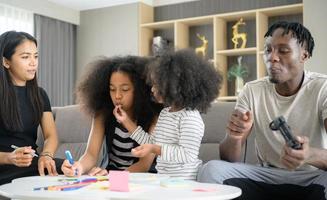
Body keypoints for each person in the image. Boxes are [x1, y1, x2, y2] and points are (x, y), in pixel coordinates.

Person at [197, 21, 327, 200]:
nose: (272, 57)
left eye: (283, 50)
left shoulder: (323, 88)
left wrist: (309, 154)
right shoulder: (252, 90)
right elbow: (228, 160)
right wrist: (234, 137)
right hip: (266, 175)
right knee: (211, 170)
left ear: (304, 55)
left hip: (312, 177)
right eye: (268, 50)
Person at [113, 49, 223, 180]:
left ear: (175, 86)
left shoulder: (190, 117)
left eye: (157, 85)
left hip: (185, 182)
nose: (152, 89)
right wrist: (126, 121)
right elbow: (152, 142)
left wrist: (153, 148)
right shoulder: (165, 113)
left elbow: (187, 155)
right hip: (165, 180)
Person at [61, 56, 162, 176]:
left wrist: (112, 177)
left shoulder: (153, 117)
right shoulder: (103, 114)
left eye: (125, 89)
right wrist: (79, 167)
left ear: (139, 90)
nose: (117, 96)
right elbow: (91, 154)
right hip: (112, 177)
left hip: (143, 179)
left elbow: (144, 165)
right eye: (112, 89)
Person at [0, 31, 62, 185]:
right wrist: (9, 157)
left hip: (31, 163)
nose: (33, 62)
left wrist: (46, 155)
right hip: (4, 165)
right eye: (25, 57)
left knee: (70, 169)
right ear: (6, 62)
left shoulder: (39, 94)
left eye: (36, 56)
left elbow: (51, 136)